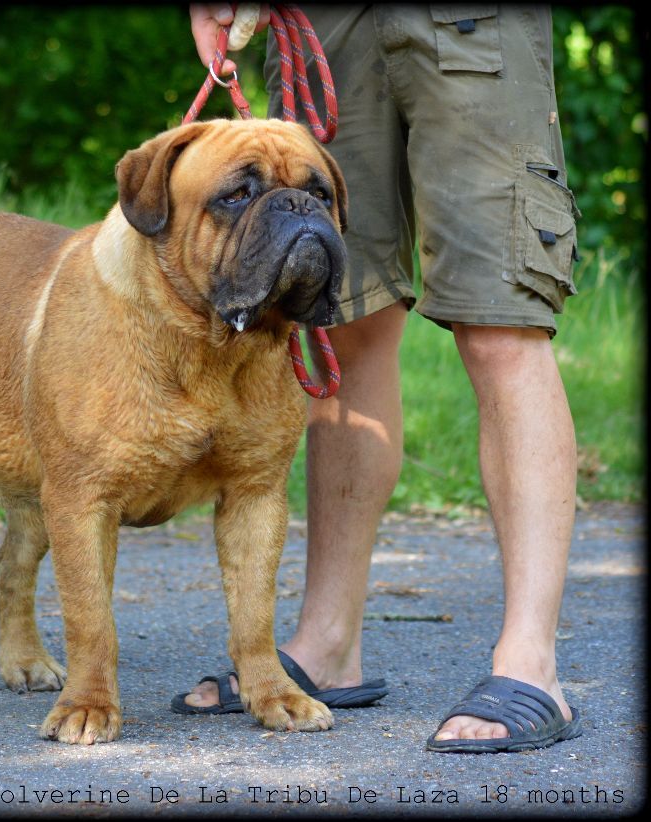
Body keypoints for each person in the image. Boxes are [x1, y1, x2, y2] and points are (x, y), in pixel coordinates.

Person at [173, 3, 582, 753]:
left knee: (501, 325)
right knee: (339, 318)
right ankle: (327, 643)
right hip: (325, 19)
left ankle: (532, 667)